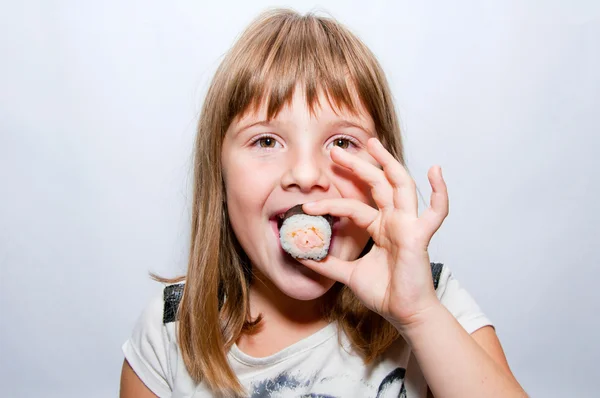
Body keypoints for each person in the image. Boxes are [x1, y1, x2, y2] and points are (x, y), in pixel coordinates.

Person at [119, 8, 526, 398]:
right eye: (266, 141)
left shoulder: (434, 302)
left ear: (381, 172)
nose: (307, 174)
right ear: (219, 174)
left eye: (342, 142)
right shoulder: (173, 326)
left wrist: (418, 315)